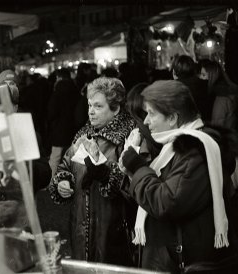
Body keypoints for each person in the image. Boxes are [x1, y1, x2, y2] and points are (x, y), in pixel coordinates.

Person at [120, 80, 238, 273]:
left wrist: (137, 166)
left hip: (181, 262)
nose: (146, 121)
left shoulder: (196, 151)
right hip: (171, 257)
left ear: (173, 117)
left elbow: (167, 202)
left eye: (151, 113)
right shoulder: (174, 145)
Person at [48, 77, 136, 264]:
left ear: (116, 108)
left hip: (114, 233)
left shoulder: (129, 139)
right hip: (80, 230)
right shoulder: (82, 135)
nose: (91, 112)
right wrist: (64, 181)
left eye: (98, 106)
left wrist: (106, 176)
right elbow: (65, 166)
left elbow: (135, 189)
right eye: (89, 105)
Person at [172, 55, 212, 122]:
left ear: (174, 71)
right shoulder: (205, 85)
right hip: (203, 125)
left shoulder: (174, 88)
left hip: (183, 126)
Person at [199, 60, 238, 129]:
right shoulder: (228, 90)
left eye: (203, 75)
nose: (200, 77)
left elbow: (217, 125)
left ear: (212, 76)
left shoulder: (220, 96)